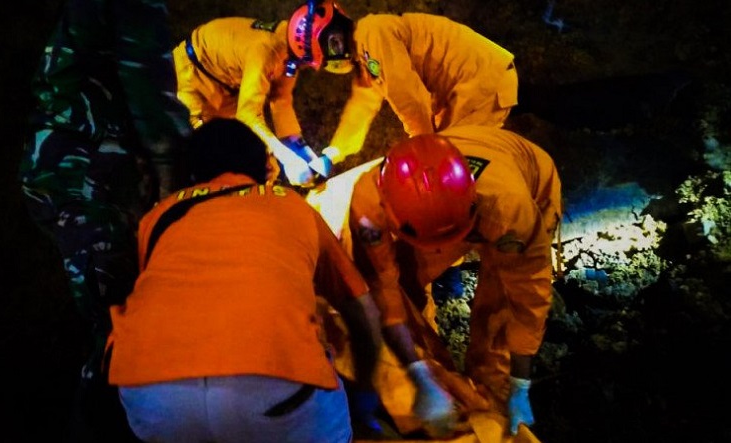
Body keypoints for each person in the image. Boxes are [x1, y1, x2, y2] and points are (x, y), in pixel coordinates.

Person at [107, 118, 383, 443]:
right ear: (262, 167)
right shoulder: (290, 205)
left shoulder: (159, 216)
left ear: (193, 171)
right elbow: (362, 312)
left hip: (150, 392)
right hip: (276, 386)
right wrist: (365, 386)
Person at [17, 0, 191, 439]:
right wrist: (177, 173)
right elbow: (149, 82)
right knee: (119, 317)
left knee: (108, 316)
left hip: (70, 162)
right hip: (85, 168)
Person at [332, 125, 561, 437]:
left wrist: (520, 381)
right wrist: (418, 372)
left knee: (500, 303)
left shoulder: (509, 209)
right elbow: (385, 289)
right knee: (404, 284)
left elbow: (527, 300)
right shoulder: (370, 208)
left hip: (523, 183)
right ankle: (441, 377)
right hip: (433, 214)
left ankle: (492, 393)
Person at [299, 12, 518, 175]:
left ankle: (503, 225)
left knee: (459, 168)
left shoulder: (373, 35)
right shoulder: (365, 53)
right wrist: (331, 155)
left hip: (479, 82)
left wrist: (423, 148)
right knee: (455, 164)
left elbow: (407, 96)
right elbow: (361, 107)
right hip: (473, 84)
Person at [173, 0, 354, 186]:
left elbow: (280, 102)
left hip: (227, 87)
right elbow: (248, 115)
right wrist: (288, 159)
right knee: (209, 161)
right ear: (312, 39)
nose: (340, 48)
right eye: (335, 42)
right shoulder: (267, 50)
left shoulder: (290, 55)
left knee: (264, 166)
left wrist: (304, 153)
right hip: (194, 81)